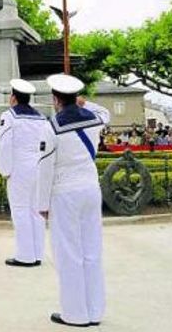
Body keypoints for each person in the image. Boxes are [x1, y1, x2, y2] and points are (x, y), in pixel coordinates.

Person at [37, 74, 110, 327]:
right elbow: (105, 111)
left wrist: (42, 205)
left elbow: (45, 168)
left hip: (65, 193)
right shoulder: (95, 119)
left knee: (68, 253)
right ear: (75, 98)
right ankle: (95, 311)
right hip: (91, 189)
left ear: (55, 99)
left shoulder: (51, 126)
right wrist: (84, 103)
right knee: (92, 251)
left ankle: (75, 314)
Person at [0, 79, 51, 268]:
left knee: (20, 210)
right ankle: (37, 254)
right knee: (36, 212)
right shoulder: (42, 118)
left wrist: (5, 170)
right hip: (39, 167)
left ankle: (25, 255)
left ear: (13, 98)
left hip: (19, 169)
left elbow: (6, 146)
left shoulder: (9, 117)